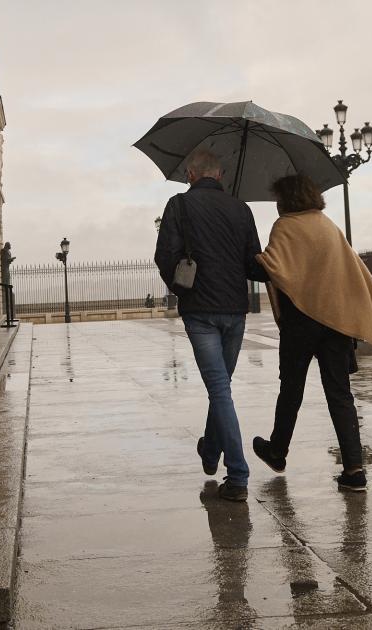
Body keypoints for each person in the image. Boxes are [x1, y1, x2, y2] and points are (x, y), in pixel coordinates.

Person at [248, 174, 372, 492]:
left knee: (291, 389)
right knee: (340, 395)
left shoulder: (286, 226)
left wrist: (249, 257)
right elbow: (348, 271)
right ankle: (354, 470)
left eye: (278, 199)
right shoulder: (328, 226)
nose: (276, 205)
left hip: (300, 322)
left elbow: (271, 269)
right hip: (335, 322)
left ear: (287, 199)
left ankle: (277, 451)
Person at [154, 148, 263, 502]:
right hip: (235, 309)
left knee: (220, 391)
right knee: (222, 388)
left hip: (200, 310)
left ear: (191, 175)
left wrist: (183, 287)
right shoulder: (242, 209)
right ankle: (211, 449)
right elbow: (253, 264)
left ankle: (239, 476)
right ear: (220, 175)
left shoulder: (178, 206)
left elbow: (164, 255)